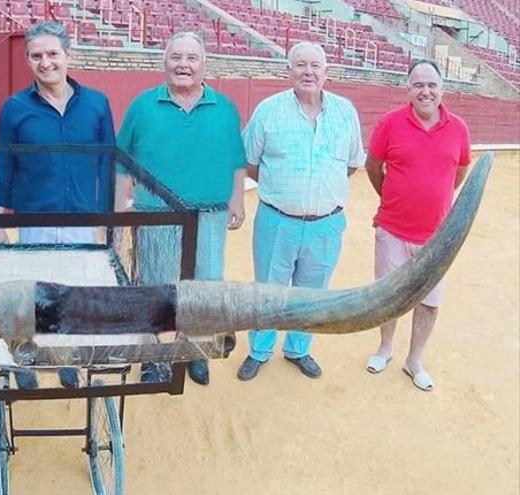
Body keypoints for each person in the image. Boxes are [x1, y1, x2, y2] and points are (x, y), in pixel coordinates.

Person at [0, 21, 116, 389]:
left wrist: (109, 222)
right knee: (35, 292)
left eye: (52, 54)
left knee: (72, 291)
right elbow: (5, 166)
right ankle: (27, 357)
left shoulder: (96, 104)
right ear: (28, 60)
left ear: (68, 56)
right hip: (35, 219)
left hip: (82, 218)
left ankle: (64, 358)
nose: (46, 63)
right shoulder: (14, 109)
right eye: (36, 56)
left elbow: (107, 163)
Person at [116, 31, 247, 386]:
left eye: (191, 58)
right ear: (165, 63)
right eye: (176, 57)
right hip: (156, 215)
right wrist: (118, 209)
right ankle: (153, 357)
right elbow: (120, 160)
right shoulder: (143, 106)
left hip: (210, 214)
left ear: (204, 66)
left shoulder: (225, 108)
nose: (183, 65)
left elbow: (237, 159)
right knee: (156, 284)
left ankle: (193, 349)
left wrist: (238, 198)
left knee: (204, 284)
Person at [238, 41, 365, 381]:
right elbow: (250, 162)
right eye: (300, 65)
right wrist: (282, 189)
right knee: (268, 290)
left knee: (313, 293)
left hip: (326, 223)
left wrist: (320, 194)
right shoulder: (268, 110)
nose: (308, 72)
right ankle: (259, 350)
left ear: (327, 72)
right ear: (289, 70)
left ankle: (298, 348)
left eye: (315, 66)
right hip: (277, 220)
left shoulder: (345, 112)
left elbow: (351, 164)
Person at [364, 60, 470, 391]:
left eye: (431, 85)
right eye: (418, 85)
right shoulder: (390, 124)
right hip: (392, 230)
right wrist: (392, 198)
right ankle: (385, 349)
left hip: (437, 239)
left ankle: (415, 360)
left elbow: (461, 170)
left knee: (429, 302)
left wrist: (436, 201)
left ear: (442, 88)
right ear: (408, 89)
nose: (425, 91)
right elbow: (373, 165)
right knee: (388, 296)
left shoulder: (459, 129)